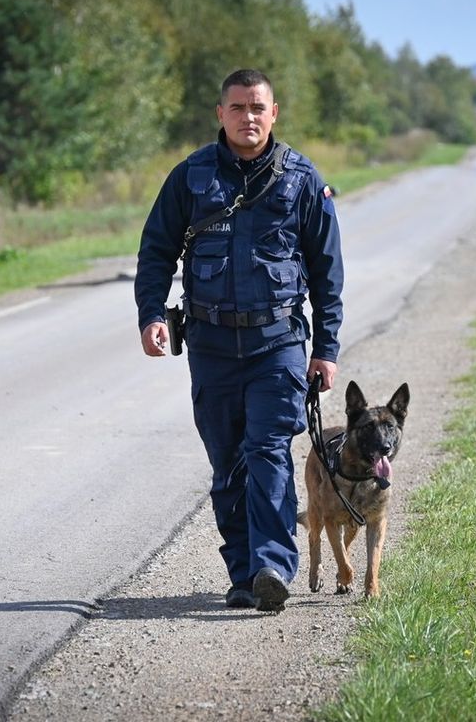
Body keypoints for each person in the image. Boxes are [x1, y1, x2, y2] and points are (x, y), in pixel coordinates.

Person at [134, 69, 344, 612]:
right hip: (210, 346)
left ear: (274, 114)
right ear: (220, 114)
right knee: (228, 463)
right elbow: (156, 249)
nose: (247, 117)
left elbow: (327, 271)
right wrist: (151, 313)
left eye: (257, 107)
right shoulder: (191, 177)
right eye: (237, 107)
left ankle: (272, 564)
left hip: (277, 343)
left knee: (268, 451)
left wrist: (326, 348)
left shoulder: (300, 180)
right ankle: (244, 574)